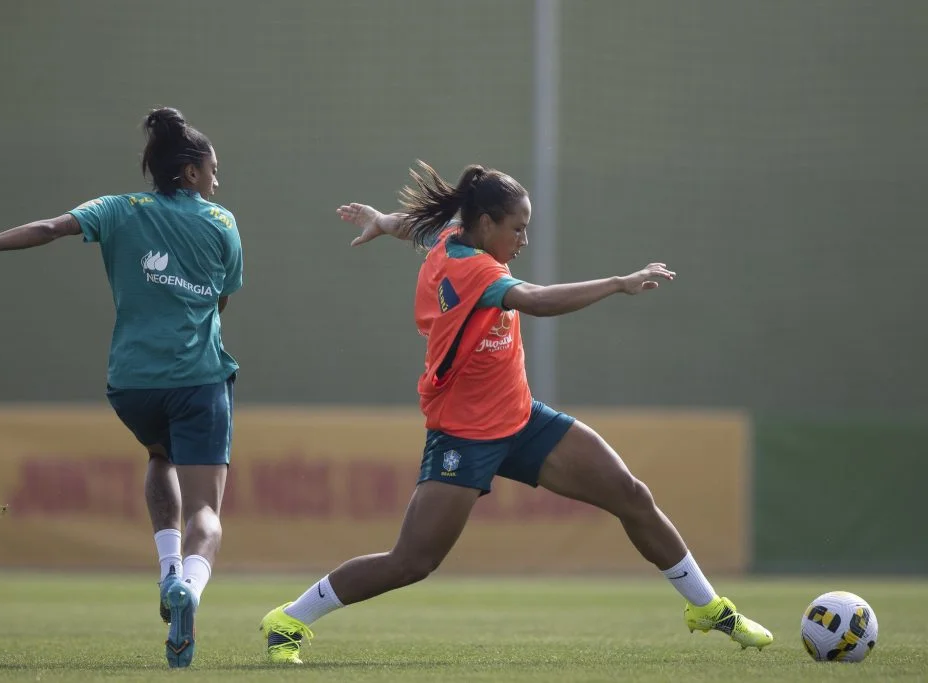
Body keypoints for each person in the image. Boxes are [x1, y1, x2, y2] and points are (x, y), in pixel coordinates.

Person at [260, 161, 773, 663]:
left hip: (522, 420)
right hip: (463, 434)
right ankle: (288, 619)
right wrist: (618, 282)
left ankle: (710, 609)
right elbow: (538, 299)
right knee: (412, 561)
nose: (523, 239)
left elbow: (420, 229)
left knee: (632, 496)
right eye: (518, 228)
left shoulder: (452, 238)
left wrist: (385, 221)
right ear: (485, 225)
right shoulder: (477, 269)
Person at [0, 107, 243, 669]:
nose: (218, 179)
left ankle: (167, 566)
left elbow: (48, 228)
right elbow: (222, 301)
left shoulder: (117, 209)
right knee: (207, 510)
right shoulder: (222, 223)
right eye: (213, 169)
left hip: (131, 385)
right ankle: (188, 590)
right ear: (191, 172)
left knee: (157, 452)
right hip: (197, 379)